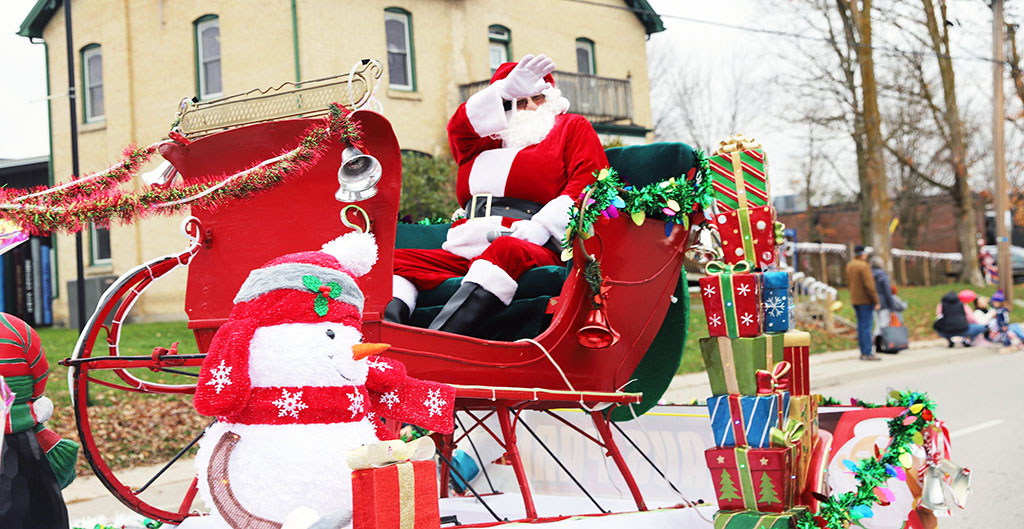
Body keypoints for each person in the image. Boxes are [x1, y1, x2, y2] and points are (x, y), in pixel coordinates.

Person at [386, 54, 607, 336]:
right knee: (394, 262)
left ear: (550, 101)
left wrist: (539, 228)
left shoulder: (570, 127)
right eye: (517, 101)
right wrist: (503, 90)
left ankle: (442, 339)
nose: (527, 107)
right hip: (468, 243)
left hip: (531, 244)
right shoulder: (481, 143)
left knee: (507, 250)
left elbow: (588, 183)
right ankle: (393, 335)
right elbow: (459, 127)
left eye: (536, 98)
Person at [845, 245, 882, 361]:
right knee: (867, 327)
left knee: (861, 327)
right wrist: (876, 300)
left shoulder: (849, 265)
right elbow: (869, 285)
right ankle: (867, 352)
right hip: (866, 300)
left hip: (855, 299)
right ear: (862, 254)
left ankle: (862, 351)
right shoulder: (864, 266)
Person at [869, 256, 898, 352]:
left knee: (877, 323)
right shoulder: (882, 275)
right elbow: (887, 291)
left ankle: (877, 345)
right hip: (883, 303)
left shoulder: (868, 275)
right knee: (884, 323)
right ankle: (881, 344)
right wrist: (892, 306)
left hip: (872, 302)